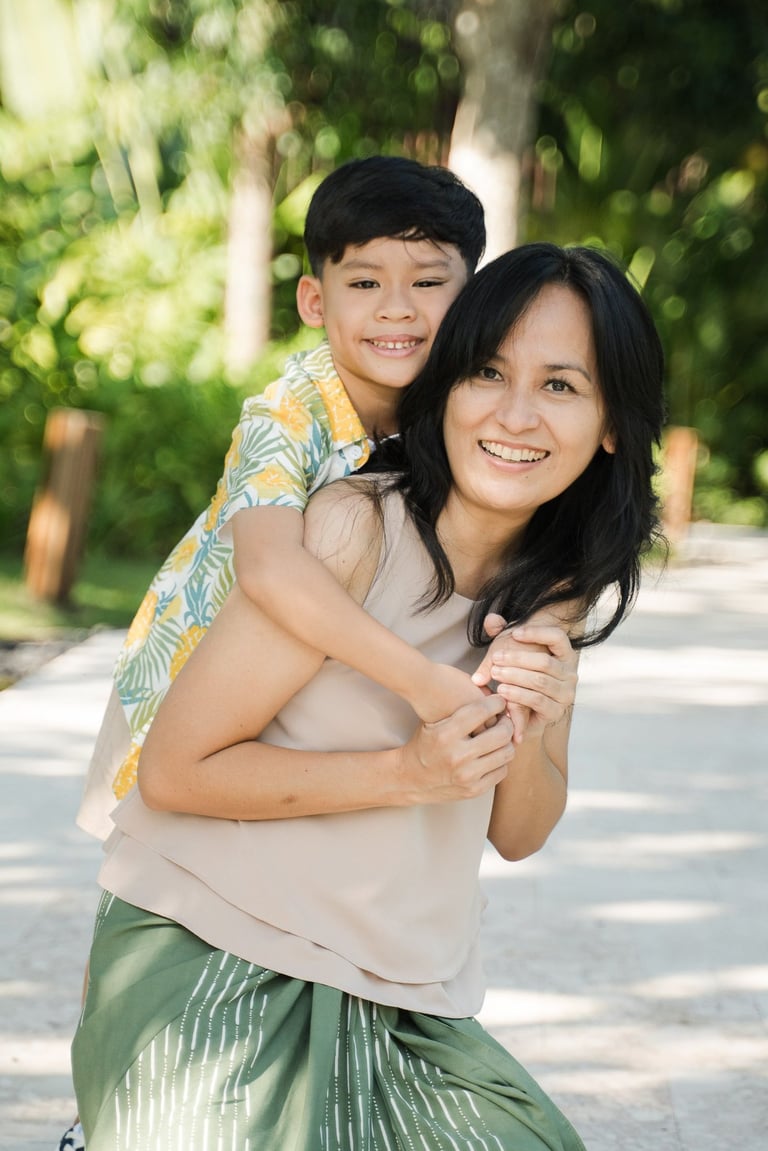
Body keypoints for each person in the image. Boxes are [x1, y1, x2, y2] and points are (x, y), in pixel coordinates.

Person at [69, 242, 665, 1149]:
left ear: (613, 421)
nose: (514, 414)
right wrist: (405, 771)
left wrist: (541, 717)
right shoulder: (354, 527)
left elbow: (518, 829)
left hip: (400, 1001)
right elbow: (174, 773)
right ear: (447, 385)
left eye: (560, 386)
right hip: (207, 945)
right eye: (487, 371)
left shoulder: (558, 586)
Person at [76, 154, 496, 842]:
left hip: (289, 698)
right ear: (313, 300)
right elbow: (271, 569)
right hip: (179, 686)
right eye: (364, 281)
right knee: (152, 885)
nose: (397, 306)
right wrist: (420, 681)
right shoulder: (284, 418)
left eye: (428, 281)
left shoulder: (450, 414)